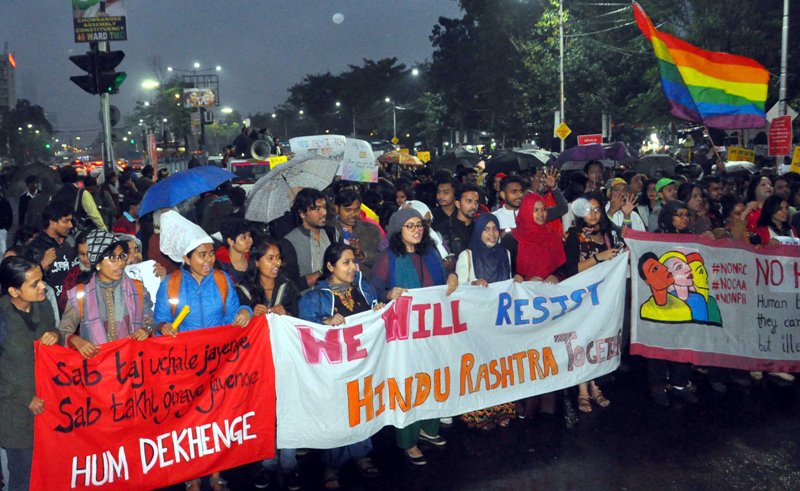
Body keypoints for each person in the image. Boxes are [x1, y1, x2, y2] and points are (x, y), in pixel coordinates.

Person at [154, 211, 251, 491]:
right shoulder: (170, 284)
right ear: (186, 259)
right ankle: (191, 475)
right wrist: (163, 326)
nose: (209, 260)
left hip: (218, 364)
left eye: (210, 253)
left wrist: (244, 311)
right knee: (187, 420)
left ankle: (214, 473)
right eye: (202, 255)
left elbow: (233, 311)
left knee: (216, 420)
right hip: (183, 368)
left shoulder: (222, 281)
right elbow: (160, 316)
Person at [371, 208, 456, 465]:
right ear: (398, 231)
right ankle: (407, 441)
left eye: (419, 225)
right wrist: (387, 294)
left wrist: (453, 276)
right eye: (410, 226)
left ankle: (428, 427)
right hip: (404, 334)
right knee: (409, 382)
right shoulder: (389, 258)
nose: (417, 230)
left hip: (430, 330)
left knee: (431, 376)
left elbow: (444, 281)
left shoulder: (430, 253)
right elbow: (373, 287)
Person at [299, 244, 383, 488]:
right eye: (345, 263)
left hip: (362, 363)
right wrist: (324, 321)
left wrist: (378, 310)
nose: (352, 267)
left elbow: (375, 310)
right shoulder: (314, 297)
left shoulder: (363, 287)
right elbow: (305, 330)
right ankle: (331, 465)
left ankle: (361, 454)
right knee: (336, 411)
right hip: (333, 368)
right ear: (330, 267)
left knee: (361, 406)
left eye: (353, 262)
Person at [238, 238, 301, 491]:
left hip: (286, 359)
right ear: (257, 261)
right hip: (258, 362)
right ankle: (266, 463)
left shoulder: (288, 287)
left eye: (278, 258)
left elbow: (304, 323)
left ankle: (289, 465)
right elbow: (235, 326)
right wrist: (249, 315)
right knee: (264, 412)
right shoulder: (244, 289)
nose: (276, 263)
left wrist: (289, 315)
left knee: (288, 411)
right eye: (270, 258)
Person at [0, 256, 60, 491]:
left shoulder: (43, 305)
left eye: (41, 280)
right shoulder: (2, 317)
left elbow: (55, 336)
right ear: (14, 291)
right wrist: (26, 398)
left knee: (51, 473)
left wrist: (56, 335)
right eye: (34, 284)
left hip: (50, 407)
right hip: (15, 414)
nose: (43, 286)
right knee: (23, 478)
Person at [454, 214, 517, 430]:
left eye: (494, 229)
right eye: (486, 229)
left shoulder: (505, 254)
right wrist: (473, 283)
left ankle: (500, 409)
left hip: (498, 319)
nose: (491, 234)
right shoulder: (468, 256)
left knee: (498, 365)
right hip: (475, 321)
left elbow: (508, 284)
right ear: (478, 232)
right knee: (479, 366)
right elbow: (459, 289)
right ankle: (478, 414)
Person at [562, 191, 620, 413]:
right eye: (588, 210)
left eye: (596, 209)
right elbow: (570, 269)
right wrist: (599, 258)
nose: (593, 214)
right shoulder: (574, 235)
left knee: (596, 341)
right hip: (580, 297)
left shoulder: (607, 235)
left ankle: (595, 386)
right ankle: (582, 391)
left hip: (602, 298)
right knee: (580, 342)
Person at [58, 230, 154, 357]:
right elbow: (63, 332)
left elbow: (151, 320)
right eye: (113, 258)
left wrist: (146, 329)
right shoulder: (80, 294)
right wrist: (75, 340)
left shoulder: (137, 289)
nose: (120, 263)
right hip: (98, 368)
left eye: (122, 256)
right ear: (97, 264)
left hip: (131, 365)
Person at [649, 200, 699, 407]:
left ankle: (680, 383)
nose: (684, 219)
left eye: (686, 215)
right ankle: (657, 385)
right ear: (668, 217)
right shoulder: (656, 239)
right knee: (658, 343)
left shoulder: (692, 239)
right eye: (679, 215)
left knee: (683, 341)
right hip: (662, 300)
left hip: (684, 298)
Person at [280, 188, 335, 291]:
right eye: (317, 209)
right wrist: (325, 270)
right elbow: (292, 286)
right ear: (302, 213)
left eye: (324, 207)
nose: (324, 212)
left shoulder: (332, 234)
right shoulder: (289, 242)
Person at [27, 202, 77, 310]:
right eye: (66, 221)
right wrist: (42, 266)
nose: (70, 225)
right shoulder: (35, 248)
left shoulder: (70, 243)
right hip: (50, 309)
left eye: (71, 221)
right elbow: (26, 282)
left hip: (72, 308)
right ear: (52, 221)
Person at [332, 189, 382, 280]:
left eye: (357, 209)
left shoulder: (372, 230)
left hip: (367, 284)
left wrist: (362, 256)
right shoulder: (329, 231)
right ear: (337, 208)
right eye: (348, 210)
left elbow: (382, 259)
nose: (353, 214)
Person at [50, 165, 107, 231]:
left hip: (59, 230)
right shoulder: (82, 193)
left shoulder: (55, 194)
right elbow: (94, 215)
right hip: (77, 231)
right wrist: (104, 229)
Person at [215, 217, 252, 284]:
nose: (249, 241)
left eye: (249, 236)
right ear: (230, 241)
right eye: (244, 238)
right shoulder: (219, 266)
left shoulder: (254, 260)